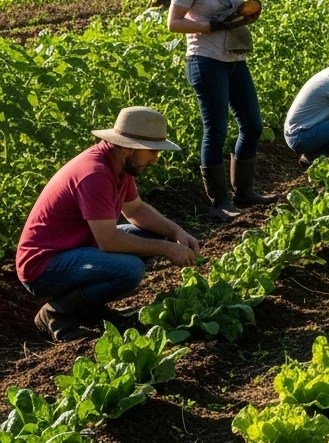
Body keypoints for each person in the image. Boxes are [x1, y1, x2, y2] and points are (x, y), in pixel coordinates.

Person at [16, 107, 200, 341]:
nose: (155, 158)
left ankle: (89, 309)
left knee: (153, 235)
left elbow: (136, 210)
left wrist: (176, 232)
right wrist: (167, 249)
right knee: (129, 270)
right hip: (43, 265)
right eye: (152, 151)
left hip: (77, 249)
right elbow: (109, 240)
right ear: (127, 147)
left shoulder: (121, 165)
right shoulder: (94, 174)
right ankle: (56, 313)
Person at [169, 0, 268, 221]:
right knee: (216, 130)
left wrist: (242, 16)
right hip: (205, 60)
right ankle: (219, 201)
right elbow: (173, 22)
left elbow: (233, 8)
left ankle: (244, 191)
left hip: (234, 57)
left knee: (253, 125)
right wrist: (208, 25)